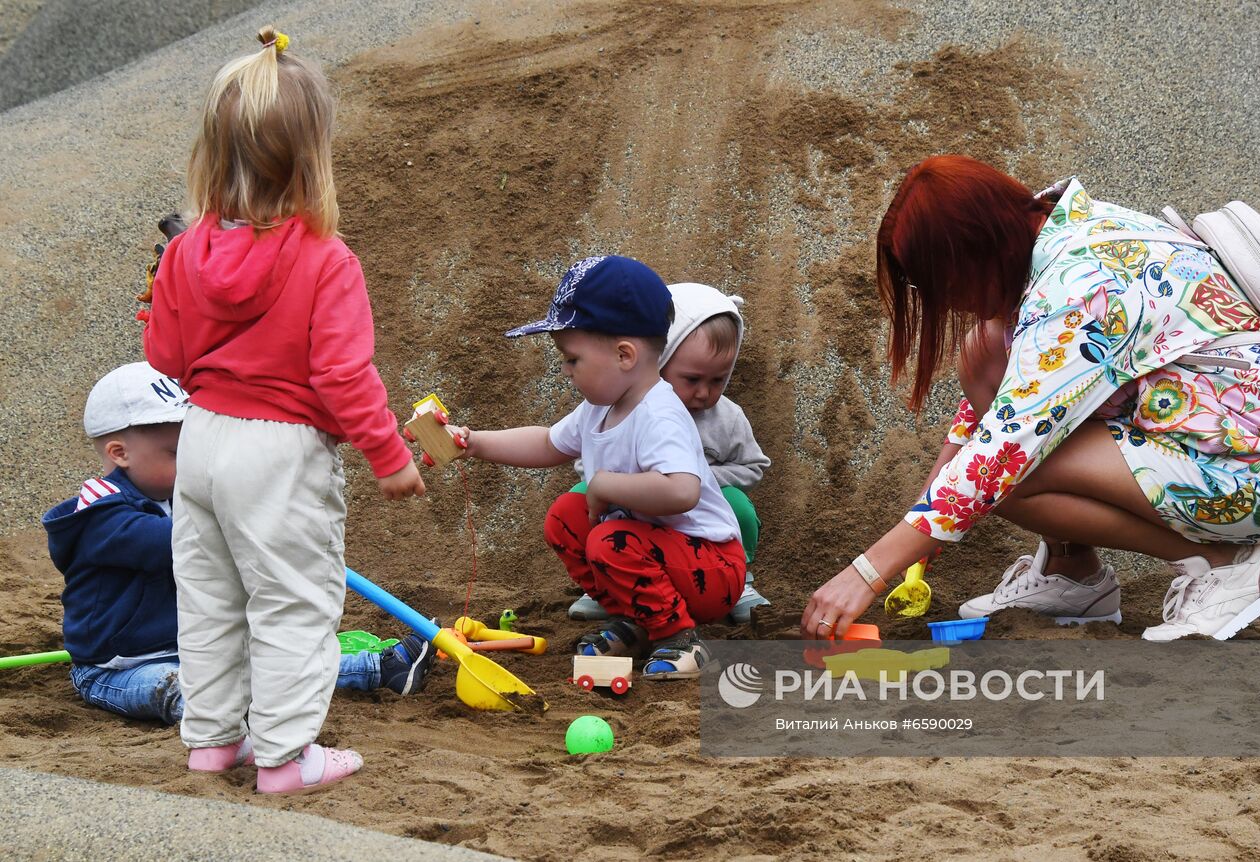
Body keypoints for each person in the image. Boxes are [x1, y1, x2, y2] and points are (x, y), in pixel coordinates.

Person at [803, 155, 1260, 642]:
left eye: (940, 286)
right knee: (983, 352)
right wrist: (927, 517)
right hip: (1219, 434)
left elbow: (1001, 451)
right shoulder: (1058, 236)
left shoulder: (1077, 286)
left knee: (1003, 478)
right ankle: (1071, 573)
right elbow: (999, 411)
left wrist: (866, 573)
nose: (949, 302)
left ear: (971, 252)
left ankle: (1222, 564)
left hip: (1259, 469)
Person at [142, 27, 425, 794]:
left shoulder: (185, 252)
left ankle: (211, 743)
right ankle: (287, 758)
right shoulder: (325, 258)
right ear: (311, 157)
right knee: (294, 605)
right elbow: (341, 373)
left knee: (210, 598)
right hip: (280, 449)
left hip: (200, 440)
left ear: (213, 150)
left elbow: (164, 362)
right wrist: (388, 457)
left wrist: (165, 304)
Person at [43, 364, 435, 730]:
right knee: (178, 687)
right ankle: (228, 718)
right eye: (179, 454)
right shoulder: (100, 514)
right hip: (118, 668)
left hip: (201, 648)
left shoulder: (183, 493)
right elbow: (176, 544)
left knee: (282, 658)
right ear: (119, 453)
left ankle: (383, 668)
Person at [445, 256, 746, 679]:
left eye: (572, 360)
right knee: (565, 519)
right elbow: (548, 442)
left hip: (713, 568)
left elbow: (683, 491)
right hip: (660, 556)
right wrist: (474, 442)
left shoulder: (660, 413)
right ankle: (636, 620)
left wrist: (605, 483)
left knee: (610, 539)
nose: (566, 371)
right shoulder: (598, 409)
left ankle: (680, 640)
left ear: (625, 355)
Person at [568, 282, 771, 624]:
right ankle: (605, 583)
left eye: (718, 380)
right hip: (631, 510)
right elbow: (584, 460)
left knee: (739, 507)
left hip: (700, 521)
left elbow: (754, 466)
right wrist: (622, 484)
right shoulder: (623, 409)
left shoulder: (728, 417)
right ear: (658, 363)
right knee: (577, 498)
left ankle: (739, 583)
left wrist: (702, 478)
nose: (704, 393)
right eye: (691, 379)